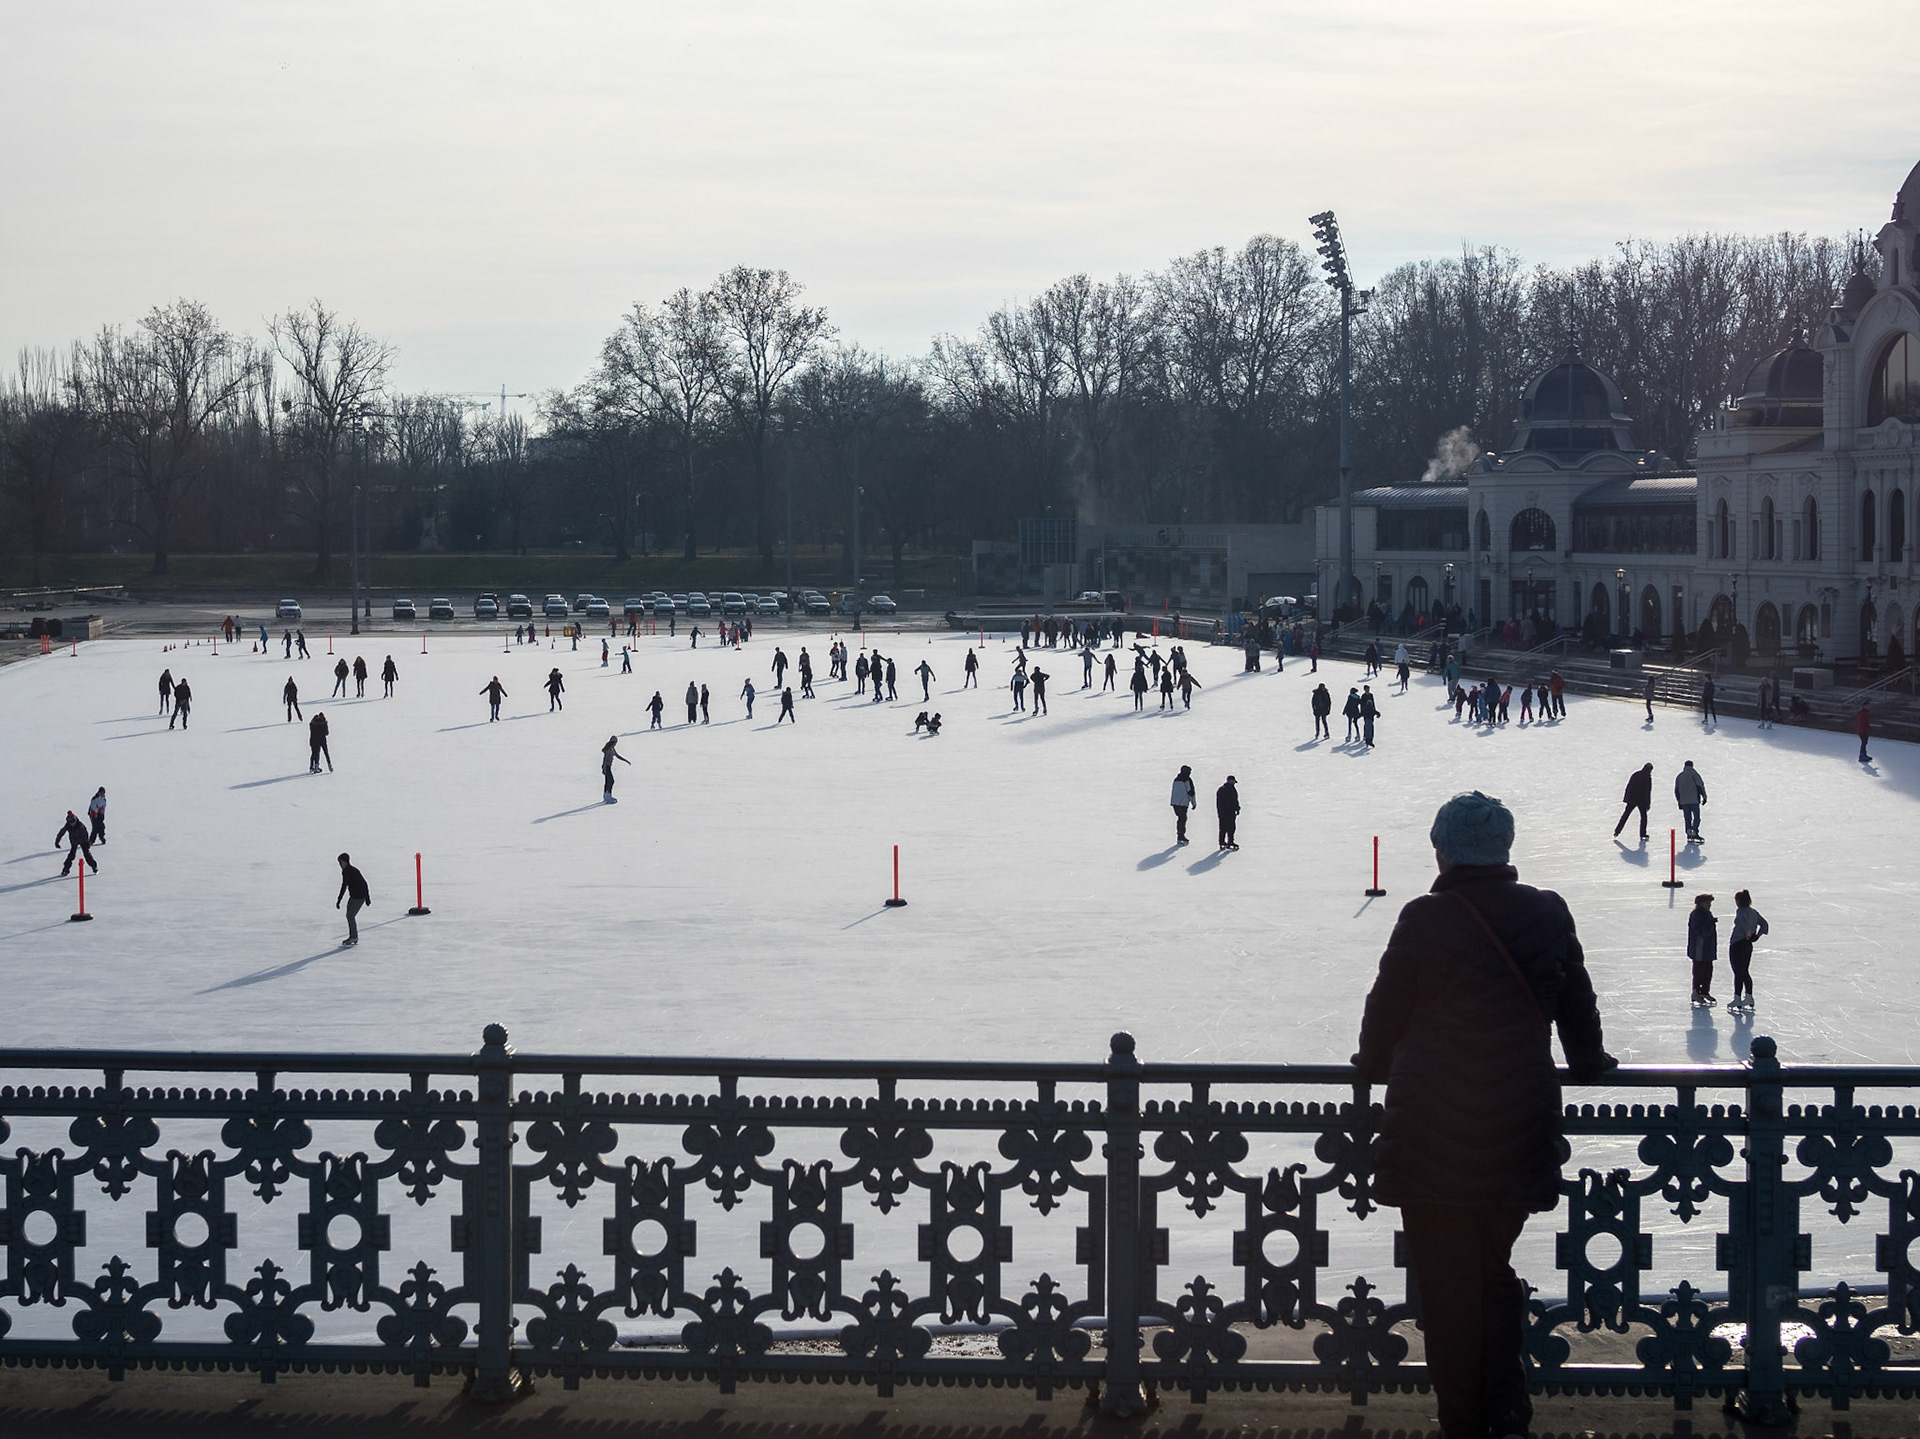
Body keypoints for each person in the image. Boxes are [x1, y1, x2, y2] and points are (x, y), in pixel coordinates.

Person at [1353, 791, 1615, 1439]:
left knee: (1449, 1287)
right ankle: (1506, 1412)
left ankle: (1465, 1419)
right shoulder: (1549, 912)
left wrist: (1372, 1064)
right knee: (1489, 1269)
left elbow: (1383, 1021)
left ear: (1443, 851)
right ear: (1504, 850)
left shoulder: (1424, 917)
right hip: (1516, 1131)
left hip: (1430, 1138)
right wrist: (1589, 1062)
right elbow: (1580, 1024)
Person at [1728, 888, 1769, 1010]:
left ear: (1739, 901)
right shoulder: (1753, 912)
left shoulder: (1740, 911)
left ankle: (1737, 998)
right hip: (1747, 945)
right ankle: (1749, 996)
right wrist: (1756, 936)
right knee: (1744, 971)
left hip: (1737, 943)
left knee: (1737, 971)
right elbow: (1764, 924)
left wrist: (1748, 933)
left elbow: (1743, 922)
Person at [1687, 893, 1718, 1005]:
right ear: (1700, 904)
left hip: (1708, 948)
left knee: (1708, 970)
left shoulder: (1707, 914)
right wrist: (1710, 925)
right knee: (1699, 970)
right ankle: (1696, 991)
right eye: (1707, 903)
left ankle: (1704, 991)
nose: (1709, 905)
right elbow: (1700, 932)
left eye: (1710, 903)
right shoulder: (1696, 915)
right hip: (1699, 949)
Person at [336, 852, 370, 947]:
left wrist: (367, 897)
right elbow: (344, 885)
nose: (340, 864)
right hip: (353, 896)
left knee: (350, 916)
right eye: (339, 862)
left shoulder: (353, 871)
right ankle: (353, 936)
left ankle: (354, 937)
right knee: (349, 915)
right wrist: (339, 899)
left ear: (346, 862)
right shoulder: (345, 872)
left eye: (341, 862)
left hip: (360, 897)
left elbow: (364, 883)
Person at [1614, 762, 1654, 841]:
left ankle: (1617, 831)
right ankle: (1642, 834)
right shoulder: (1647, 777)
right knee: (1643, 817)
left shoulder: (1636, 774)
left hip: (1632, 799)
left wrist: (1627, 798)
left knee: (1625, 815)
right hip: (1641, 800)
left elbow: (1629, 786)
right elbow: (1647, 791)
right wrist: (1647, 804)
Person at [56, 809, 97, 876]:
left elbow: (85, 834)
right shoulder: (68, 826)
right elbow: (61, 832)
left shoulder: (80, 825)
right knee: (71, 856)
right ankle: (66, 869)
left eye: (73, 822)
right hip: (74, 842)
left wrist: (87, 843)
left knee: (87, 854)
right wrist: (57, 841)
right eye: (71, 823)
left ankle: (94, 866)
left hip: (83, 841)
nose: (72, 824)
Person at [1674, 760, 1707, 842]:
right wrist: (1704, 797)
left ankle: (1689, 833)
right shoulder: (1694, 774)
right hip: (1694, 800)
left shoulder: (1679, 776)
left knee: (1687, 818)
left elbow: (1676, 790)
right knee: (1696, 818)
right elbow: (1700, 786)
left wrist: (1679, 801)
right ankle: (1695, 832)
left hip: (1684, 801)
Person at [1168, 764, 1197, 845]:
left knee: (1180, 818)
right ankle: (1181, 835)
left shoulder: (1176, 779)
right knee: (1183, 818)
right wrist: (1193, 803)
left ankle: (1179, 834)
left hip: (1175, 803)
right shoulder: (1187, 780)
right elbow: (1191, 792)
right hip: (1183, 803)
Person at [601, 735, 629, 803]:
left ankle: (606, 795)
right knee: (611, 781)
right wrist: (604, 769)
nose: (616, 744)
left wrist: (626, 760)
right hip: (606, 766)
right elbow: (605, 760)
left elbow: (617, 756)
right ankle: (607, 796)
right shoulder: (608, 749)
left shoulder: (612, 748)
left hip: (608, 766)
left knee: (608, 781)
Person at [1216, 775, 1240, 850]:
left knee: (1223, 827)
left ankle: (1222, 842)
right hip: (1229, 812)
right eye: (1233, 781)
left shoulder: (1221, 789)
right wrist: (1237, 808)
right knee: (1230, 827)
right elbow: (1234, 801)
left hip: (1222, 812)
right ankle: (1229, 842)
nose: (1234, 783)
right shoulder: (1231, 789)